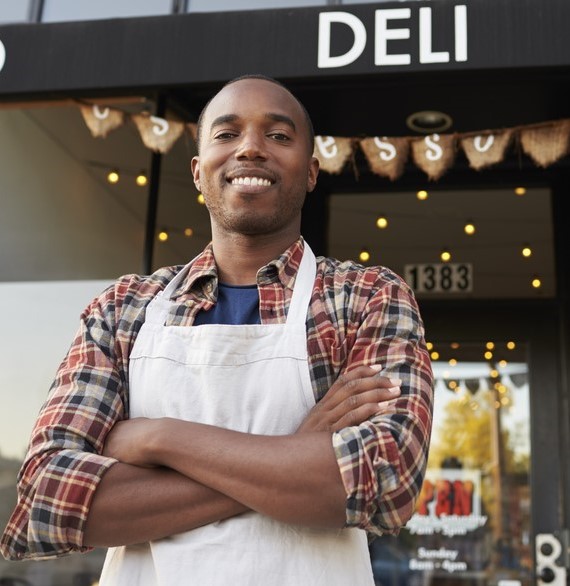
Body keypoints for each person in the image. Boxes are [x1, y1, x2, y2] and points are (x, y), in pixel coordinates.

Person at [0, 74, 434, 585]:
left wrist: (160, 439)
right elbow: (49, 500)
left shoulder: (367, 297)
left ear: (312, 171)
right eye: (227, 134)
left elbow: (385, 481)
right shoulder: (123, 309)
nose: (250, 148)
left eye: (278, 135)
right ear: (197, 171)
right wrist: (296, 450)